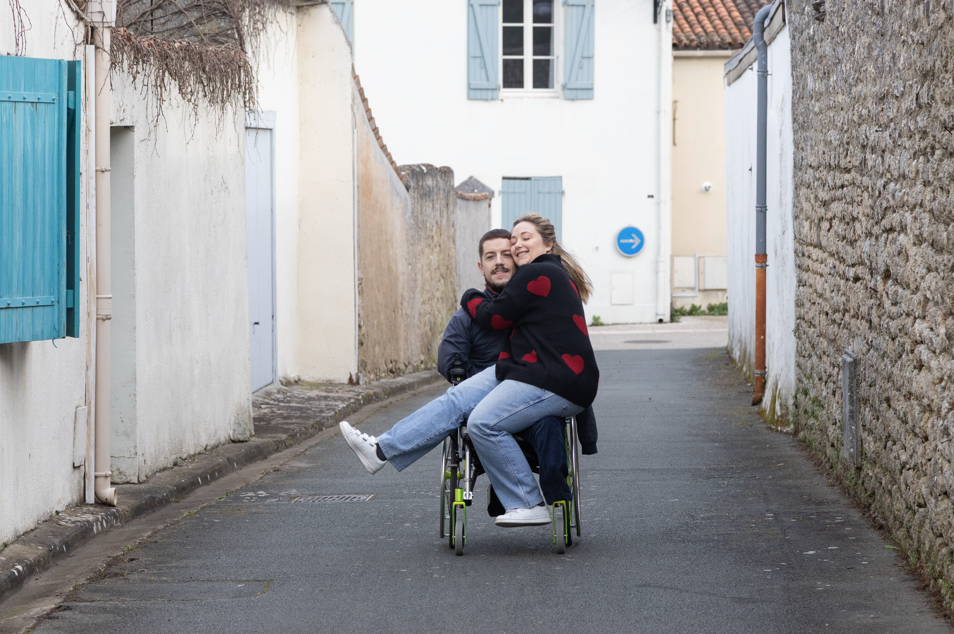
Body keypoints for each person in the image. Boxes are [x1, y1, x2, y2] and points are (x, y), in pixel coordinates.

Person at [340, 213, 599, 527]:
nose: (517, 245)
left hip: (556, 379)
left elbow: (494, 318)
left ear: (548, 243)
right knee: (457, 398)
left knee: (482, 422)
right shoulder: (535, 275)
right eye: (513, 239)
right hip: (525, 368)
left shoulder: (541, 273)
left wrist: (468, 296)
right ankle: (380, 450)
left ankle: (529, 501)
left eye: (524, 238)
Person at [437, 228, 584, 516]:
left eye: (506, 254)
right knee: (477, 419)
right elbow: (449, 358)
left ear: (518, 261)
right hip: (486, 402)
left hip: (531, 401)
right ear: (481, 266)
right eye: (491, 257)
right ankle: (508, 488)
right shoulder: (467, 316)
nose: (500, 262)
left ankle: (554, 496)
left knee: (550, 424)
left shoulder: (539, 307)